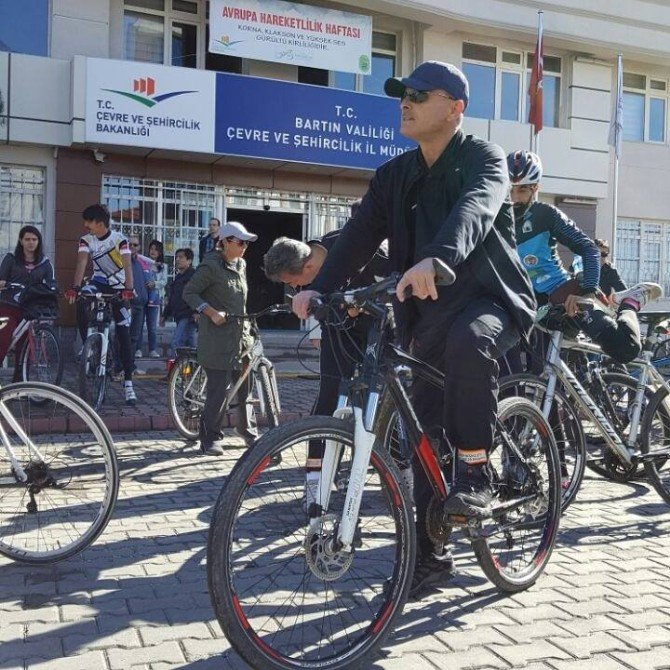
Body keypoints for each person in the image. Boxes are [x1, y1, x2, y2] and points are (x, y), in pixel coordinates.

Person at [291, 61, 537, 597]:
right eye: (402, 94)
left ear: (454, 108)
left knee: (470, 342)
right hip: (423, 318)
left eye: (419, 95)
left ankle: (475, 472)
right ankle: (429, 561)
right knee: (423, 439)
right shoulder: (393, 176)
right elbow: (356, 236)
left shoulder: (483, 158)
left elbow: (476, 208)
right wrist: (321, 290)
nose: (405, 102)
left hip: (489, 301)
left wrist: (438, 259)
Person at [263, 215, 388, 509]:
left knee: (379, 405)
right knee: (328, 402)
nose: (295, 290)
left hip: (379, 333)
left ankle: (396, 474)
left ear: (307, 266)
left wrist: (362, 305)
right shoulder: (308, 272)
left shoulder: (353, 243)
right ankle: (315, 483)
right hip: (338, 332)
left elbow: (400, 284)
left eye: (294, 284)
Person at [507, 149, 661, 366]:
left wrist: (587, 292)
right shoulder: (496, 220)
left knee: (624, 349)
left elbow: (589, 249)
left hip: (564, 295)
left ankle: (629, 302)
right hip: (530, 305)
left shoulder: (545, 214)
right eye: (510, 189)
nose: (514, 198)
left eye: (522, 190)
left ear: (535, 188)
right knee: (531, 377)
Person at [183, 221, 259, 456]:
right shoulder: (210, 266)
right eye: (240, 242)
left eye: (246, 242)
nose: (244, 246)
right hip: (217, 338)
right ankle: (210, 438)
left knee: (245, 386)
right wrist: (210, 311)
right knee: (218, 391)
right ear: (224, 242)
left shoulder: (241, 264)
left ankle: (247, 430)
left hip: (240, 335)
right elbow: (189, 293)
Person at [65, 204, 137, 405]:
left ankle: (129, 384)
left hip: (120, 286)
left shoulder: (119, 239)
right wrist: (75, 287)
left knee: (124, 335)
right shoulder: (86, 239)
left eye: (88, 222)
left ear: (99, 222)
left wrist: (129, 288)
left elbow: (128, 264)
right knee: (81, 301)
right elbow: (81, 263)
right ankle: (88, 344)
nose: (85, 226)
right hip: (98, 283)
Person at [0, 225, 56, 375]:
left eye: (34, 239)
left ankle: (19, 384)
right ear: (21, 241)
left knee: (24, 347)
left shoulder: (45, 263)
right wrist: (3, 283)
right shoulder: (10, 259)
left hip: (30, 310)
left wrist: (52, 289)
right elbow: (1, 280)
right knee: (3, 338)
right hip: (8, 306)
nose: (31, 242)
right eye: (27, 239)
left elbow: (51, 283)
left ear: (38, 241)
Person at [162, 247, 197, 356]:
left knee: (176, 343)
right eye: (176, 257)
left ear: (189, 261)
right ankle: (192, 368)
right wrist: (165, 315)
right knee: (189, 344)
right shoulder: (177, 278)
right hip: (179, 315)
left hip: (189, 315)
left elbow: (199, 294)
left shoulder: (194, 276)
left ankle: (176, 369)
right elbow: (173, 298)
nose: (177, 260)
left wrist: (197, 311)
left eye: (181, 257)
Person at [128, 235, 151, 360]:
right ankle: (119, 366)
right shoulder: (123, 261)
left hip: (140, 305)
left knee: (134, 338)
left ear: (139, 247)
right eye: (130, 244)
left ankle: (129, 367)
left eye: (135, 245)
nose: (132, 247)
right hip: (128, 304)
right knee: (124, 336)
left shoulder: (140, 262)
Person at [145, 239, 167, 358]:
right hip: (143, 295)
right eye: (151, 249)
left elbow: (164, 281)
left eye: (156, 249)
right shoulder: (144, 263)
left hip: (155, 297)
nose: (153, 251)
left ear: (160, 252)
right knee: (138, 325)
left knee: (152, 326)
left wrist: (155, 284)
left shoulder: (163, 266)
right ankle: (137, 349)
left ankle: (152, 349)